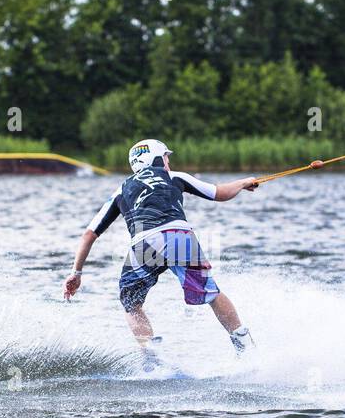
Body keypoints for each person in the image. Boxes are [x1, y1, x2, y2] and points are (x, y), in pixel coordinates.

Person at [63, 139, 258, 366]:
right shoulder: (174, 176)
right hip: (180, 236)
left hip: (144, 243)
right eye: (166, 157)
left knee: (131, 303)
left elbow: (89, 234)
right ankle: (242, 341)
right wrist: (244, 182)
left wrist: (76, 273)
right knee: (211, 293)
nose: (168, 161)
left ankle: (153, 359)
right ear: (156, 158)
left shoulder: (122, 189)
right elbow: (219, 193)